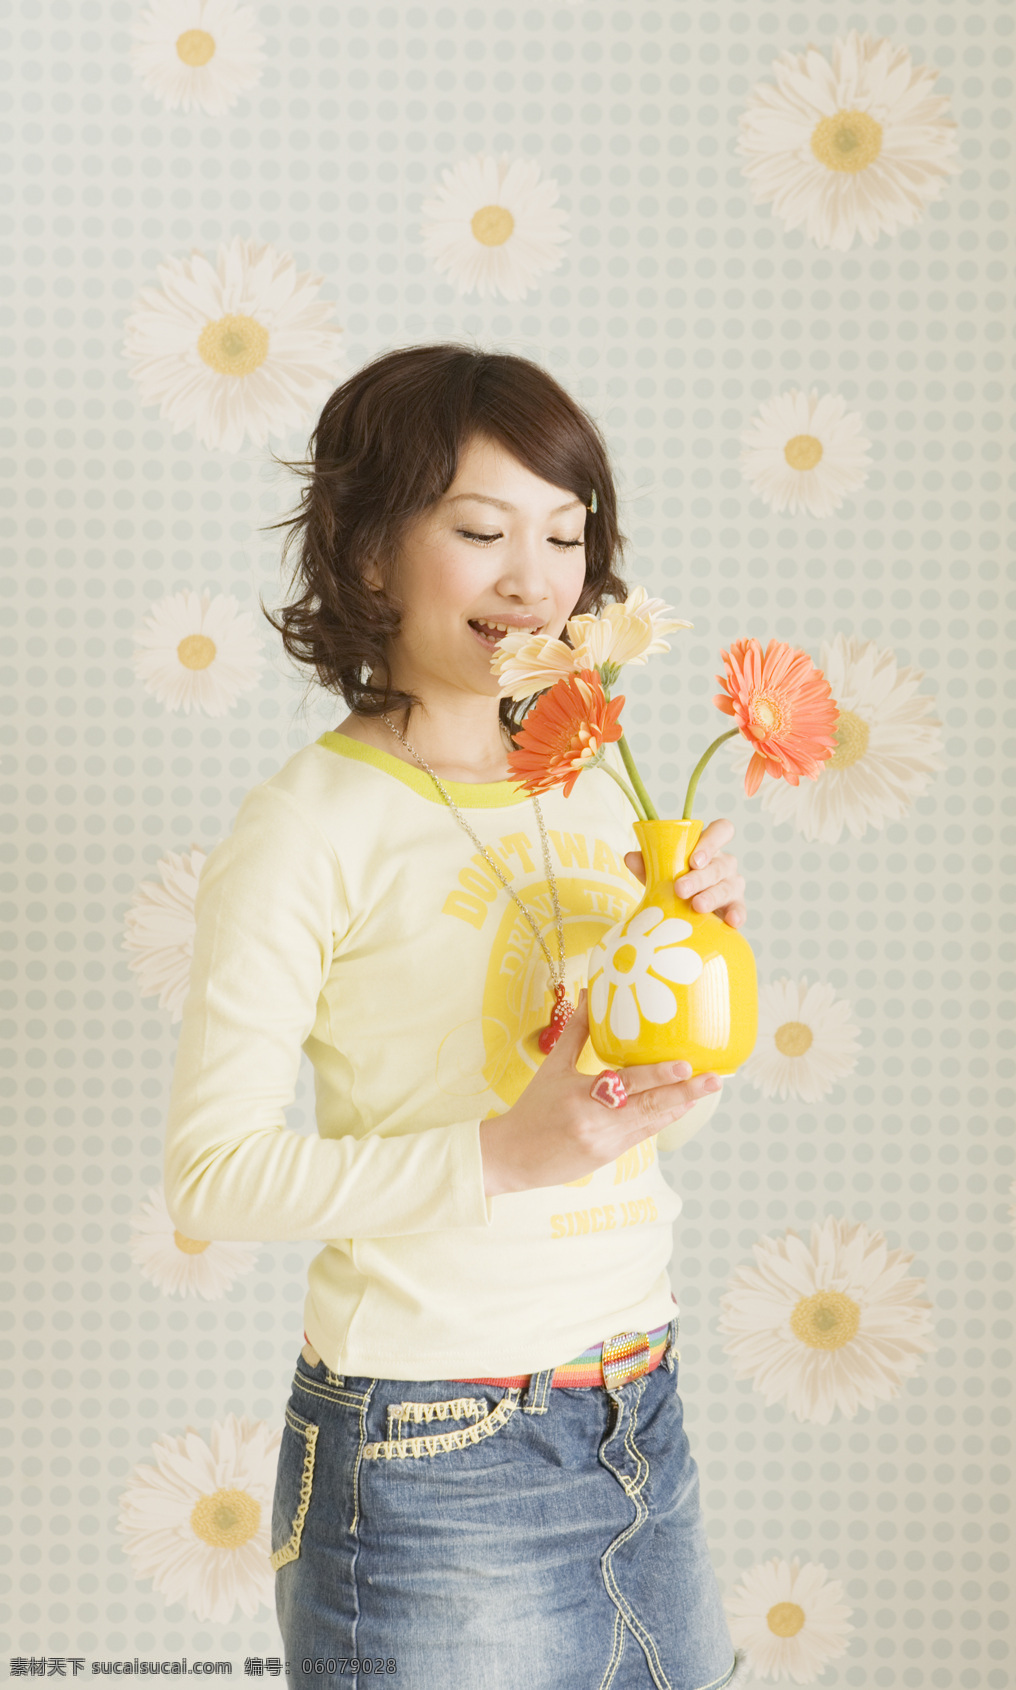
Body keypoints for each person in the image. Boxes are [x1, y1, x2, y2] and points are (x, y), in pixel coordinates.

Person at [163, 344, 752, 1689]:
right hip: (427, 1454)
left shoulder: (603, 779)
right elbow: (212, 1173)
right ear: (369, 557)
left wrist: (695, 972)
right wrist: (505, 1153)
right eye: (481, 531)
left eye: (565, 532)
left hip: (638, 1406)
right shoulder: (306, 825)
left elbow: (630, 1111)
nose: (535, 577)